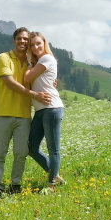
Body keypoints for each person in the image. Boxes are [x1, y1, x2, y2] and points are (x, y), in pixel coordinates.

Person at [0, 27, 51, 195]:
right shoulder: (3, 58)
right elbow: (9, 82)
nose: (23, 42)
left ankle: (15, 185)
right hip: (3, 113)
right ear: (14, 41)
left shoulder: (31, 62)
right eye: (20, 39)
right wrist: (34, 94)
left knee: (21, 153)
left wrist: (51, 84)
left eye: (26, 40)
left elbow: (41, 78)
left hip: (24, 116)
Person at [23, 31, 65, 192]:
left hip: (52, 108)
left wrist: (28, 62)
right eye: (32, 45)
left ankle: (51, 185)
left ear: (44, 43)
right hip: (41, 110)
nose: (35, 47)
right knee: (31, 147)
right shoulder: (39, 62)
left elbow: (26, 79)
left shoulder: (46, 58)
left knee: (53, 149)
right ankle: (56, 176)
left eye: (38, 43)